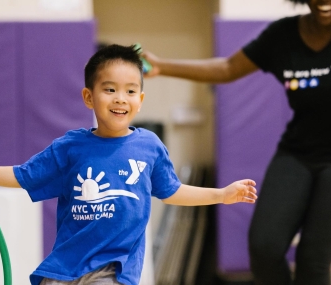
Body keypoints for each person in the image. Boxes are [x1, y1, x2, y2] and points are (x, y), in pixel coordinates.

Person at [0, 44, 257, 285]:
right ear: (89, 98)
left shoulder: (149, 147)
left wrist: (221, 194)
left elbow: (172, 191)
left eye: (130, 91)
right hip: (63, 268)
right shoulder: (71, 147)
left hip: (112, 271)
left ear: (140, 100)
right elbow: (22, 176)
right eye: (110, 89)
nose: (121, 98)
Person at [141, 0, 331, 284]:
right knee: (264, 247)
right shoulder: (283, 35)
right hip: (297, 152)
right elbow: (229, 68)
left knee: (314, 259)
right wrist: (163, 67)